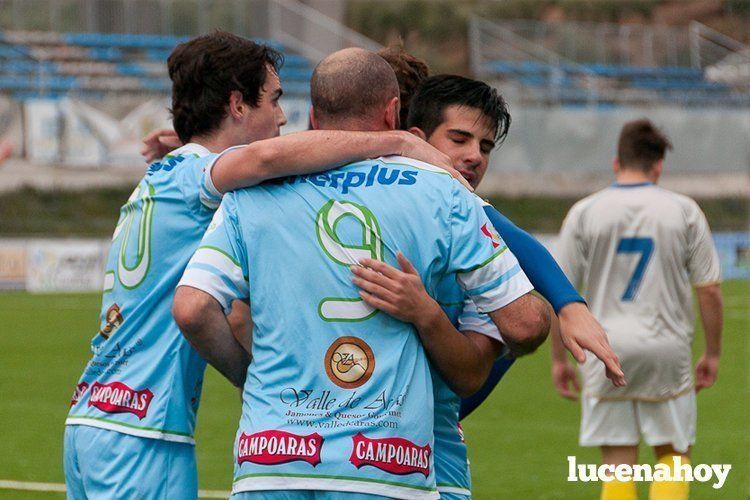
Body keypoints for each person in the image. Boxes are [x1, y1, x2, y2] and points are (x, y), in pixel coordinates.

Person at [63, 32, 456, 499]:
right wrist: (394, 141)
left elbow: (266, 158)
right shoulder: (199, 177)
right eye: (273, 99)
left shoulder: (165, 173)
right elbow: (268, 157)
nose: (283, 116)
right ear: (237, 104)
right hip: (143, 433)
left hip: (95, 417)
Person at [173, 47, 551, 499]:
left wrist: (250, 377)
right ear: (394, 112)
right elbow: (525, 325)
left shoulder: (247, 195)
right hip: (386, 467)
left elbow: (194, 309)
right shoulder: (443, 192)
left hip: (268, 464)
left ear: (312, 116)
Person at [351, 73, 624, 499]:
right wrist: (569, 303)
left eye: (485, 146)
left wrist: (434, 324)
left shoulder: (483, 254)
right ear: (415, 138)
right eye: (459, 139)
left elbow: (469, 383)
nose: (474, 156)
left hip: (430, 459)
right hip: (336, 450)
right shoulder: (360, 199)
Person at [550, 119, 723, 500]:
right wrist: (712, 353)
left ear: (617, 162)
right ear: (658, 165)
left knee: (617, 464)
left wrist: (559, 360)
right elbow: (708, 290)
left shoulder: (584, 211)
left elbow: (558, 290)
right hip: (666, 349)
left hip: (601, 347)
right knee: (672, 457)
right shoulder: (684, 211)